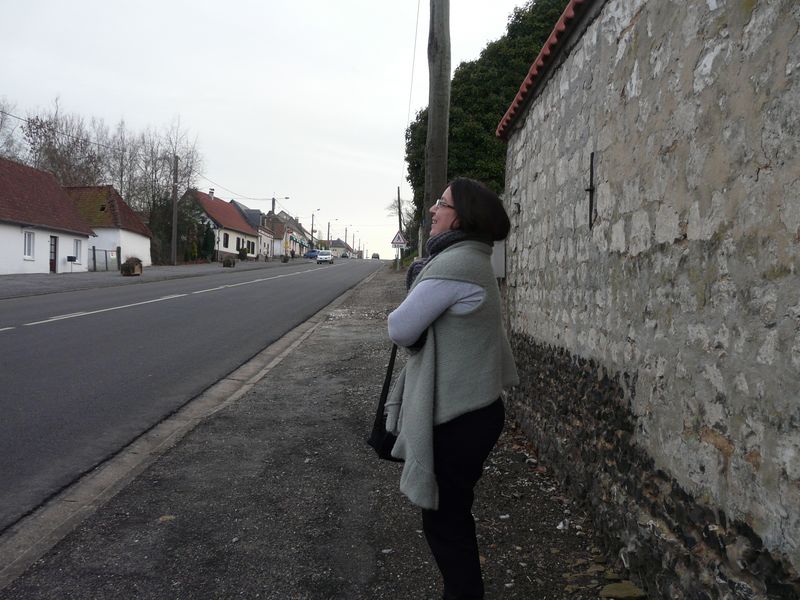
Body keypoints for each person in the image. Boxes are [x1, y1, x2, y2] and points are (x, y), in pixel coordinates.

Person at [386, 177, 519, 599]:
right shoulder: (474, 259)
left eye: (440, 204)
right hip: (476, 412)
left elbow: (400, 327)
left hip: (461, 417)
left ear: (459, 215)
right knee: (452, 518)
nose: (432, 211)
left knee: (446, 523)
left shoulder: (456, 264)